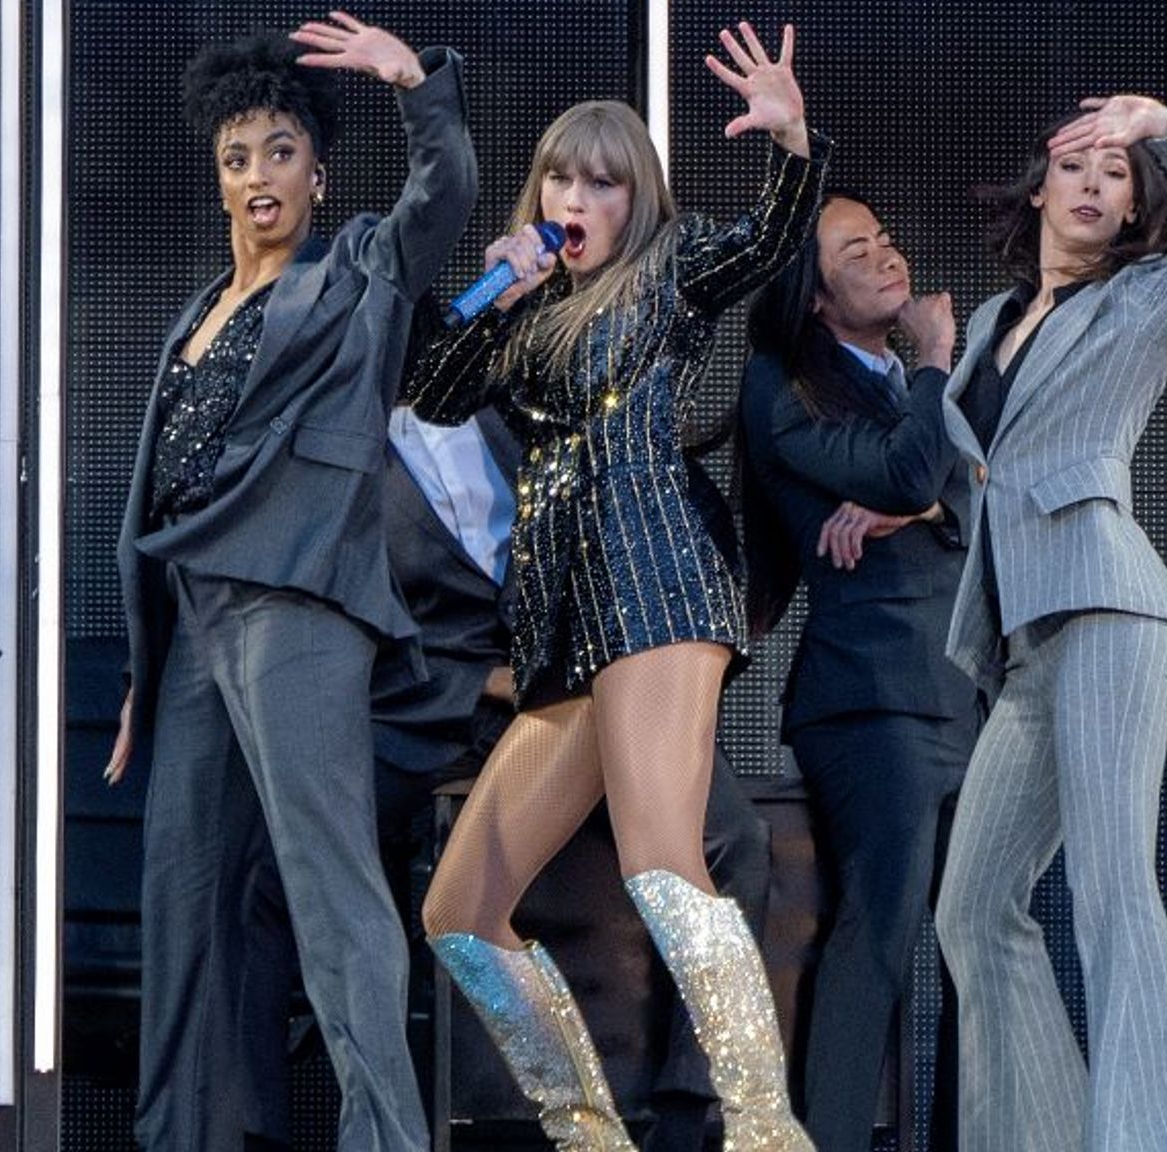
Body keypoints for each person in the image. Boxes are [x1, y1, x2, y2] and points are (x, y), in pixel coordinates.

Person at [401, 21, 828, 1152]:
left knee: (659, 859)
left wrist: (792, 144)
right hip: (564, 625)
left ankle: (762, 1131)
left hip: (658, 582)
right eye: (561, 173)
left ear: (635, 202)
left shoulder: (667, 280)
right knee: (459, 910)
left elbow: (770, 237)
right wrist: (499, 289)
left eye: (603, 179)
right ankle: (588, 1135)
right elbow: (431, 393)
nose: (577, 193)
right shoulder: (524, 312)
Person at [104, 12, 476, 1152]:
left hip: (299, 606)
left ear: (316, 169)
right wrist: (145, 668)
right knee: (188, 904)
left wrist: (415, 84)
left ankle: (385, 1140)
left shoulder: (357, 269)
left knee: (331, 897)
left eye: (276, 151)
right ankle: (190, 1137)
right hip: (197, 623)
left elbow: (443, 200)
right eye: (235, 157)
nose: (256, 176)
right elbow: (164, 500)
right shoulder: (192, 317)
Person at [236, 392, 773, 1152]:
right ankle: (265, 1127)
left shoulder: (543, 411)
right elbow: (335, 617)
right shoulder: (346, 455)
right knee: (278, 870)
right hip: (431, 710)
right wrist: (481, 681)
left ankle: (692, 1115)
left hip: (581, 689)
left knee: (737, 840)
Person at [929, 95, 1167, 1152]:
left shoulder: (1140, 303)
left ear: (1131, 213)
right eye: (1076, 165)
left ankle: (1145, 1141)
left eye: (1116, 175)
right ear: (1037, 185)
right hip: (1025, 637)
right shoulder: (988, 326)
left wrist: (1162, 125)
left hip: (1111, 609)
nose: (1093, 183)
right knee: (971, 909)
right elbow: (989, 470)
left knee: (1110, 885)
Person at [737, 192, 979, 1152]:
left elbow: (961, 494)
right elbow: (918, 474)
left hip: (965, 693)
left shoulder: (904, 392)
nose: (888, 254)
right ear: (813, 297)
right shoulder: (782, 386)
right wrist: (933, 373)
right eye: (856, 249)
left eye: (886, 235)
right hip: (872, 697)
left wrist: (917, 504)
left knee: (978, 948)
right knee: (877, 938)